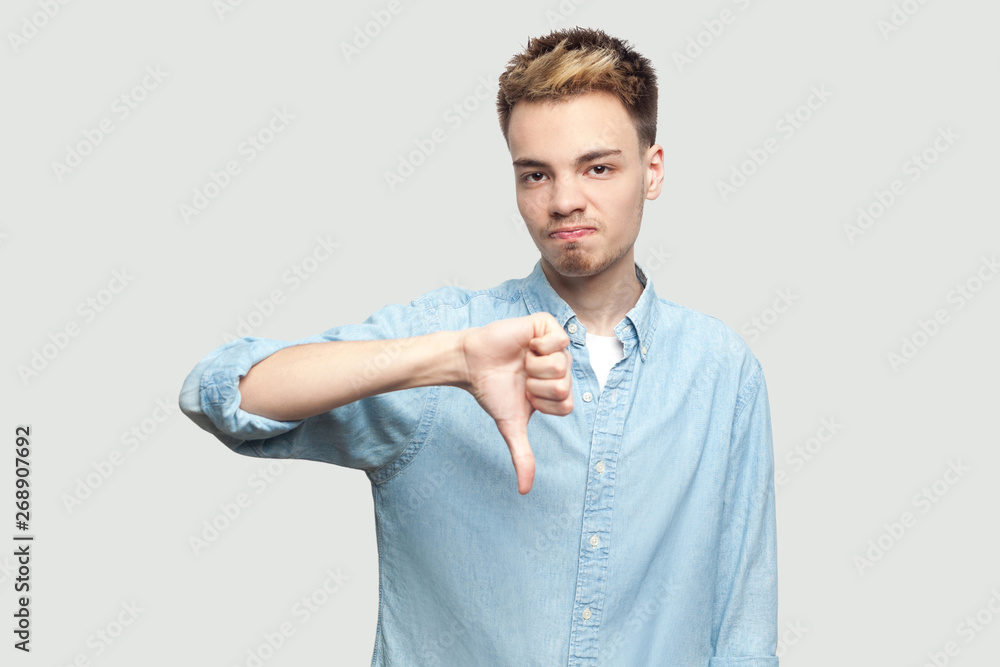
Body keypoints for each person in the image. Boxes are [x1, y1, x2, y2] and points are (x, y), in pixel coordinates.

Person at [179, 26, 778, 666]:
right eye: (535, 175)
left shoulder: (720, 371)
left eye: (598, 167)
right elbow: (224, 393)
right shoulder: (452, 334)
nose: (564, 200)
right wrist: (450, 362)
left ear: (652, 171)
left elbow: (743, 633)